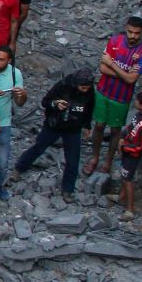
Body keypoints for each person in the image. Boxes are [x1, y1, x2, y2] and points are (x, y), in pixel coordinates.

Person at [84, 16, 142, 177]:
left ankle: (107, 161)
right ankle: (94, 157)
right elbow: (102, 68)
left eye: (137, 33)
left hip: (121, 98)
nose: (133, 36)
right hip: (103, 91)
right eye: (130, 32)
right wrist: (123, 73)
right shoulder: (115, 41)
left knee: (115, 130)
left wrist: (112, 64)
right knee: (99, 125)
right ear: (126, 28)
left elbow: (131, 79)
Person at [13, 70, 95, 199]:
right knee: (38, 147)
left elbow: (89, 109)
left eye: (87, 88)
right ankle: (19, 168)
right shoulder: (62, 86)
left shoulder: (89, 92)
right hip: (54, 125)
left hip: (74, 129)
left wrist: (87, 125)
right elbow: (45, 102)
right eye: (83, 87)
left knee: (73, 160)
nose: (85, 90)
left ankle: (68, 189)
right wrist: (55, 104)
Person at [0, 48, 27, 201]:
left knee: (1, 162)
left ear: (9, 61)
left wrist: (22, 95)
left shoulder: (16, 74)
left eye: (1, 59)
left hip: (3, 122)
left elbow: (20, 103)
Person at [116, 92, 142, 222]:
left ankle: (130, 209)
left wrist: (123, 148)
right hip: (127, 149)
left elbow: (140, 146)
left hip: (133, 154)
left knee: (128, 179)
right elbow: (129, 127)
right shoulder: (138, 116)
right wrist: (122, 137)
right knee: (124, 174)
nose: (135, 101)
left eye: (137, 100)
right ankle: (121, 196)